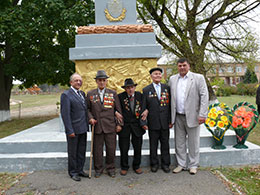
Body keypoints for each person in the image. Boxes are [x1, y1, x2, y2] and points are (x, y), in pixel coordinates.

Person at [168, 58, 209, 175]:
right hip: (178, 116)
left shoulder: (198, 78)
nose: (182, 68)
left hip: (193, 116)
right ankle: (181, 164)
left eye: (184, 65)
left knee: (193, 142)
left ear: (189, 66)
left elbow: (204, 96)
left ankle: (193, 165)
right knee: (179, 142)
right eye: (180, 66)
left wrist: (202, 114)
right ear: (177, 67)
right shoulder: (172, 79)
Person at [86, 70, 123, 178]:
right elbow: (87, 109)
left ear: (106, 81)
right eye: (99, 80)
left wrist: (119, 124)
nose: (102, 82)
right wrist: (91, 118)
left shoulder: (113, 93)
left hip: (110, 126)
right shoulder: (90, 94)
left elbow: (118, 110)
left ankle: (111, 168)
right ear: (96, 81)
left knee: (111, 149)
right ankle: (98, 169)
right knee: (97, 150)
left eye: (103, 80)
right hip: (97, 126)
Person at [142, 67, 172, 173]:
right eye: (155, 74)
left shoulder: (167, 88)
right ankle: (154, 164)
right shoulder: (146, 90)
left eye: (159, 74)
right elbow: (144, 108)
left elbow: (170, 106)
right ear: (151, 76)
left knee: (165, 144)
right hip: (153, 122)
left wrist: (170, 120)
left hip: (165, 122)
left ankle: (166, 164)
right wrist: (144, 122)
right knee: (153, 145)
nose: (158, 75)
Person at [60, 73, 89, 182]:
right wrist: (69, 130)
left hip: (83, 128)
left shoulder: (82, 93)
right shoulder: (66, 95)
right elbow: (65, 114)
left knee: (81, 151)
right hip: (73, 130)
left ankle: (80, 170)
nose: (78, 82)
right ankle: (73, 172)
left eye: (80, 80)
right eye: (76, 80)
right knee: (73, 152)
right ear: (71, 82)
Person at [118, 78, 146, 176]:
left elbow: (146, 106)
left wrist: (146, 111)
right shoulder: (120, 97)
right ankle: (124, 167)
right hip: (124, 126)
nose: (130, 89)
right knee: (124, 148)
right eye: (128, 88)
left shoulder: (140, 96)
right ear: (125, 89)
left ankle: (137, 166)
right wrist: (116, 113)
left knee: (138, 147)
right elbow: (114, 108)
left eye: (132, 87)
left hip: (137, 126)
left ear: (135, 87)